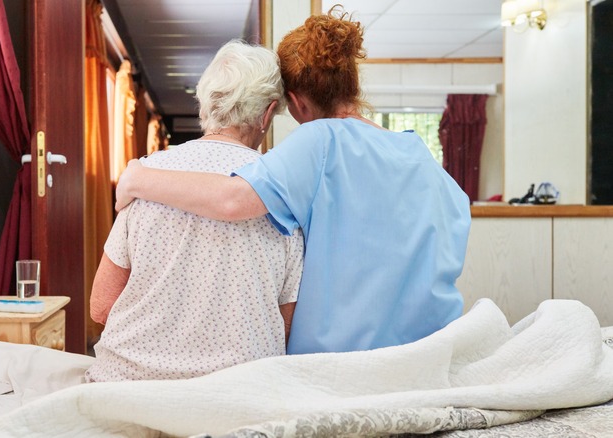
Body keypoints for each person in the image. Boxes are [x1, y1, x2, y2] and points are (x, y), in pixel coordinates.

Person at [115, 8, 471, 355]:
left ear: (297, 102)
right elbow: (453, 223)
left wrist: (137, 178)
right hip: (430, 350)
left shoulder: (320, 139)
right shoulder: (415, 149)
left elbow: (231, 200)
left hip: (341, 364)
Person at [85, 40, 304, 382]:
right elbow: (287, 325)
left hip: (127, 387)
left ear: (205, 103)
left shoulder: (145, 176)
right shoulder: (281, 193)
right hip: (236, 394)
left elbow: (101, 306)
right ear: (266, 114)